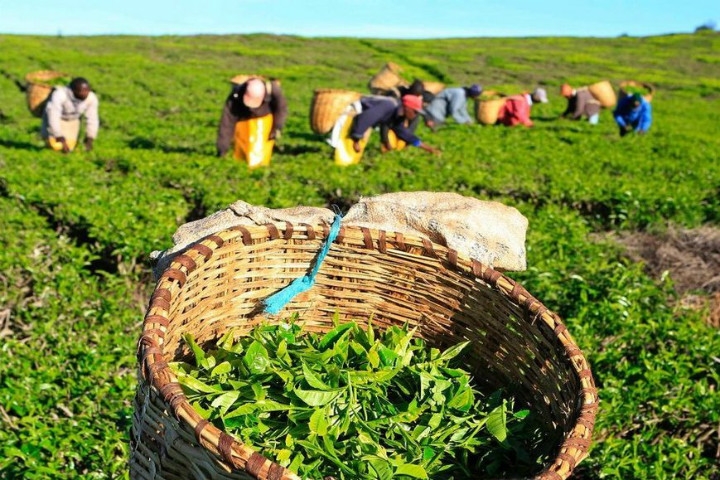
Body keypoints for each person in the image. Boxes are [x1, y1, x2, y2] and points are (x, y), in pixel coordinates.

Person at [216, 77, 288, 159]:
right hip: (243, 121)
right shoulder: (236, 96)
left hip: (265, 120)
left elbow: (281, 110)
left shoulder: (274, 90)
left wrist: (276, 128)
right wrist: (222, 149)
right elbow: (226, 123)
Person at [350, 94, 441, 155]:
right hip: (352, 111)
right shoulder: (389, 105)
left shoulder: (397, 116)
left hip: (359, 121)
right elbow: (367, 117)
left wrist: (428, 149)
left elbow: (405, 134)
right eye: (415, 112)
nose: (415, 115)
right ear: (408, 108)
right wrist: (356, 139)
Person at [41, 77, 99, 153]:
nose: (85, 93)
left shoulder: (91, 98)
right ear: (73, 90)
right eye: (82, 91)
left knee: (69, 147)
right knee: (54, 146)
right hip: (57, 119)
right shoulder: (60, 94)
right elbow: (53, 115)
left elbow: (92, 118)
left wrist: (90, 138)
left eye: (87, 90)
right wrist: (58, 136)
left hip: (73, 120)